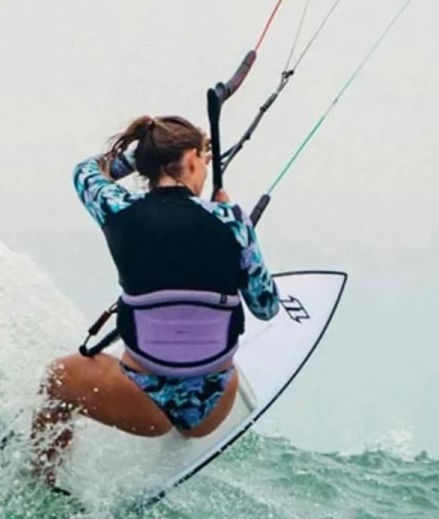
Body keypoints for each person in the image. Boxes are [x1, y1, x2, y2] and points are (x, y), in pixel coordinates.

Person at [32, 114, 281, 481]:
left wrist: (139, 157)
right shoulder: (232, 220)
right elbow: (266, 306)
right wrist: (232, 219)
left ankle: (41, 480)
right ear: (192, 158)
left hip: (143, 406)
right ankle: (184, 416)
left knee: (57, 377)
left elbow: (85, 171)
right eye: (203, 159)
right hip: (212, 407)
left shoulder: (117, 208)